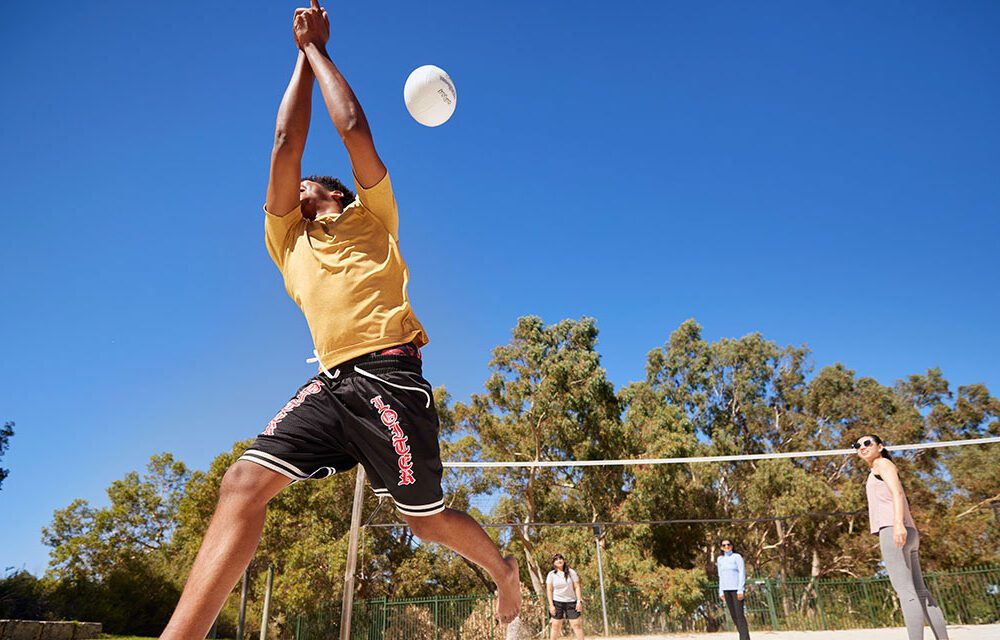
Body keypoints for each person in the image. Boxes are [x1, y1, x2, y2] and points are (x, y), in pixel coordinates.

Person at [159, 3, 522, 638]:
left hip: (389, 377)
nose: (290, 186)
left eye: (304, 186)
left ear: (333, 194)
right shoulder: (286, 240)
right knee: (242, 482)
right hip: (332, 383)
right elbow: (283, 143)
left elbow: (352, 127)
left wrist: (319, 50)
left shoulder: (371, 215)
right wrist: (297, 55)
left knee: (423, 521)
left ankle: (504, 572)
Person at [855, 434, 949, 640]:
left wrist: (897, 524)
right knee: (921, 593)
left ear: (880, 446)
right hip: (908, 531)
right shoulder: (878, 468)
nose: (862, 447)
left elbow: (897, 493)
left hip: (894, 529)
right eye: (857, 445)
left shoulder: (883, 464)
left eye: (867, 443)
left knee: (906, 593)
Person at [717, 539, 750, 640]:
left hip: (736, 590)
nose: (726, 546)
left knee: (740, 615)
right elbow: (720, 575)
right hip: (726, 590)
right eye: (724, 545)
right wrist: (721, 590)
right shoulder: (720, 559)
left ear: (732, 546)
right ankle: (744, 636)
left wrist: (740, 589)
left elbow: (742, 573)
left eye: (728, 544)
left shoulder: (737, 557)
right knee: (734, 616)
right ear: (721, 547)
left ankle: (744, 638)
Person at [546, 554, 584, 640]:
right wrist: (551, 605)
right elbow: (549, 590)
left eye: (560, 559)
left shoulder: (571, 572)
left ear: (564, 561)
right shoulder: (551, 574)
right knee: (555, 626)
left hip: (571, 602)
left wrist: (579, 601)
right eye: (556, 560)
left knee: (577, 624)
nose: (559, 561)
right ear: (554, 563)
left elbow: (577, 587)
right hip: (557, 602)